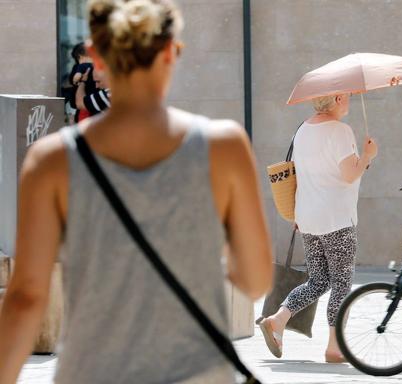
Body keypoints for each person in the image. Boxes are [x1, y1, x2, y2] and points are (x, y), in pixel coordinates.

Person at [0, 0, 272, 383]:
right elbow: (256, 278)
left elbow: (27, 296)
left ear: (95, 57)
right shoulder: (223, 146)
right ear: (170, 53)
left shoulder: (51, 160)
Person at [259, 93, 378, 363]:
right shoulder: (340, 130)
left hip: (308, 218)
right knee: (340, 284)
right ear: (337, 98)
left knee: (318, 281)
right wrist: (368, 154)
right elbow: (349, 175)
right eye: (346, 96)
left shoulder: (303, 130)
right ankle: (335, 348)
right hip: (336, 219)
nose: (348, 100)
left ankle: (277, 320)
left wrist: (363, 161)